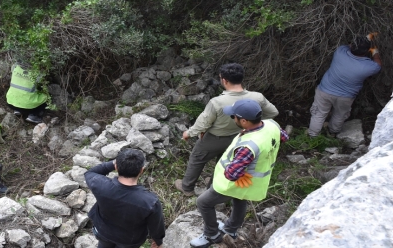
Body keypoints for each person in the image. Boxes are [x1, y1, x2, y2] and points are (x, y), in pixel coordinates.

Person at [189, 99, 288, 248]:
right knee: (240, 199)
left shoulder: (249, 146)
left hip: (232, 183)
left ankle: (212, 234)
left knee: (203, 202)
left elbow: (232, 174)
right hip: (254, 181)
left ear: (244, 121)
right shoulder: (271, 124)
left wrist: (234, 165)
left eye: (233, 116)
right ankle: (231, 229)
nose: (232, 118)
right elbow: (284, 137)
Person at [175, 63, 278, 197]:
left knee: (197, 158)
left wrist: (188, 133)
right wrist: (251, 124)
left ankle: (187, 187)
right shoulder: (257, 97)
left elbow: (203, 123)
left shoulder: (217, 102)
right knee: (224, 163)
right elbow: (273, 112)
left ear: (224, 80)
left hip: (214, 139)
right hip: (240, 138)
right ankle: (214, 189)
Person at [85, 149, 165, 248]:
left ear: (116, 167)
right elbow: (156, 226)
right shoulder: (150, 202)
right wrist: (158, 241)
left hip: (103, 232)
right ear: (141, 170)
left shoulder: (100, 185)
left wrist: (113, 163)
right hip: (129, 241)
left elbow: (89, 173)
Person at [308, 34, 382, 138]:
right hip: (345, 97)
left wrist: (365, 38)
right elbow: (378, 64)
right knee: (340, 114)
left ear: (351, 46)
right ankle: (332, 133)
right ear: (366, 52)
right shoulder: (369, 67)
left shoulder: (340, 52)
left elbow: (349, 45)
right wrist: (375, 51)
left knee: (319, 114)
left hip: (325, 91)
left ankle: (312, 136)